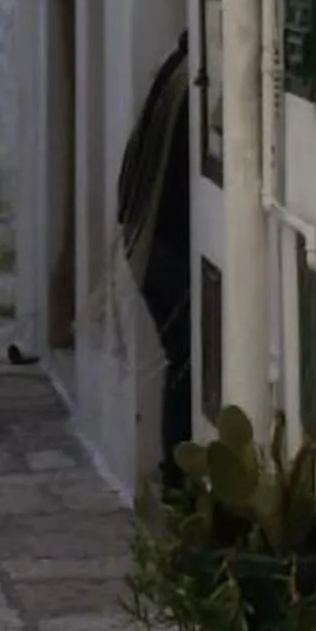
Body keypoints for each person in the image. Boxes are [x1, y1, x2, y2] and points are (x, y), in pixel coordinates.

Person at [117, 32, 193, 478]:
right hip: (165, 246)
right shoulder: (187, 83)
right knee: (186, 360)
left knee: (181, 359)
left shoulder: (172, 71)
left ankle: (176, 474)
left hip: (148, 240)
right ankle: (178, 477)